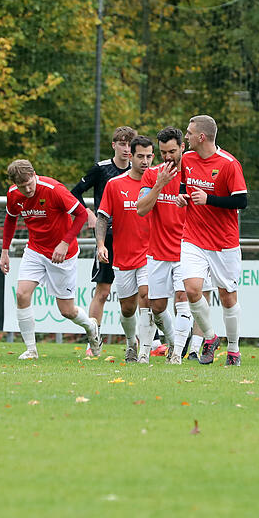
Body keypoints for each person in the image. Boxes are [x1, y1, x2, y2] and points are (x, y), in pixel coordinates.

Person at [0, 159, 100, 359]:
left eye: (30, 183)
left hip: (63, 254)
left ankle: (91, 327)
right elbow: (10, 219)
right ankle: (31, 350)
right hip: (35, 249)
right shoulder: (13, 194)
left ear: (35, 174)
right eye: (22, 186)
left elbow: (80, 215)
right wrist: (4, 251)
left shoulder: (54, 189)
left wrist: (64, 243)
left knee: (66, 311)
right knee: (21, 294)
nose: (27, 189)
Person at [175, 115, 248, 366]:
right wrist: (182, 197)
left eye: (189, 132)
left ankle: (234, 350)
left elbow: (241, 201)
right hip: (193, 237)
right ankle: (210, 336)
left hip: (224, 242)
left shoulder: (229, 164)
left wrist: (210, 199)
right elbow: (185, 187)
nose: (186, 136)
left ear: (201, 137)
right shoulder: (187, 159)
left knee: (228, 297)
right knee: (192, 289)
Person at [70, 126, 133, 350]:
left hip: (134, 239)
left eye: (129, 145)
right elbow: (74, 193)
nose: (126, 149)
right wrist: (87, 213)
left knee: (142, 294)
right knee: (103, 292)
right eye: (122, 144)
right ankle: (93, 342)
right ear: (114, 145)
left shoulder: (140, 170)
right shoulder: (102, 169)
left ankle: (147, 343)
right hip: (106, 238)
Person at [137, 126, 195, 365]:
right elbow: (141, 209)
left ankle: (176, 355)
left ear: (182, 147)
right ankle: (174, 342)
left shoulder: (193, 173)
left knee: (183, 298)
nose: (168, 157)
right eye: (163, 153)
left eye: (172, 151)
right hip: (158, 251)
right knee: (158, 307)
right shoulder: (152, 175)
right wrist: (159, 184)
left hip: (186, 249)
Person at [96, 136, 155, 362]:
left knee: (146, 297)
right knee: (127, 307)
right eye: (140, 156)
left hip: (150, 254)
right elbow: (102, 217)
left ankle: (144, 351)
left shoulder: (158, 182)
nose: (145, 161)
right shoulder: (115, 184)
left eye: (149, 156)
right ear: (131, 156)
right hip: (123, 255)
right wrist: (101, 244)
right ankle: (131, 343)